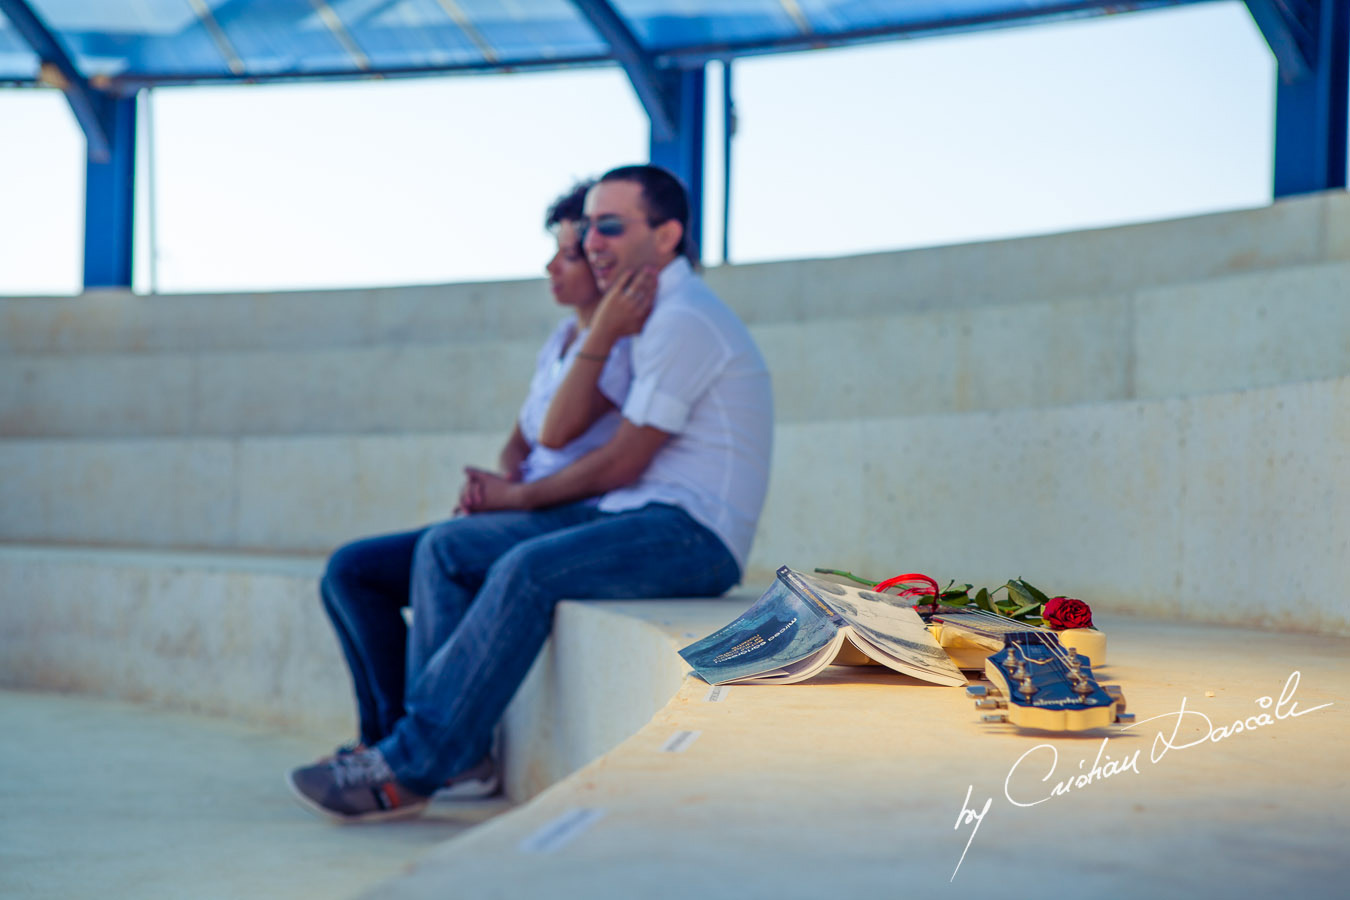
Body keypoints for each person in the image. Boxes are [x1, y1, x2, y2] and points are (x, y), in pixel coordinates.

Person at [288, 164, 773, 824]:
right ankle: (443, 753)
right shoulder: (654, 314)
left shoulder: (682, 319)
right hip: (634, 514)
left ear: (666, 237)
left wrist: (516, 499)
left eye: (609, 226)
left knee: (522, 568)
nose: (593, 241)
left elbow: (622, 461)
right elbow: (556, 446)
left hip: (693, 535)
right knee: (451, 548)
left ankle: (412, 764)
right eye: (590, 226)